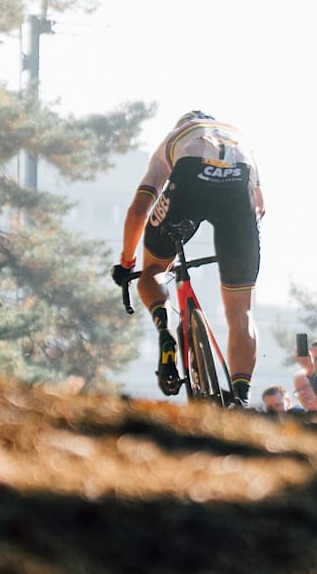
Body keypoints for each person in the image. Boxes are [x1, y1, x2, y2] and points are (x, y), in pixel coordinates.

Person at [111, 111, 264, 404]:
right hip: (239, 186)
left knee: (153, 272)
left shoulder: (174, 138)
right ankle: (242, 398)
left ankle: (165, 331)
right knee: (241, 310)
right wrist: (240, 249)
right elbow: (259, 207)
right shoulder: (239, 137)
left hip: (190, 178)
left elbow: (138, 212)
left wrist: (127, 263)